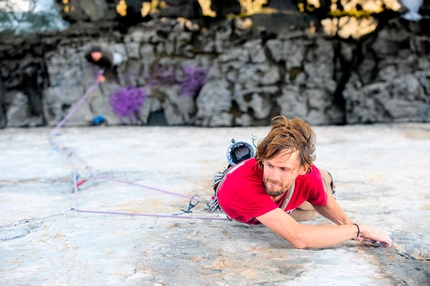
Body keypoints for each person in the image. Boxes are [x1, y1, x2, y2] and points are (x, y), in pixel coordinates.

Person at [214, 115, 392, 249]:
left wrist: (347, 226)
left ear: (304, 168)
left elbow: (322, 200)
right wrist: (359, 229)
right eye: (269, 165)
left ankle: (326, 181)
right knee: (307, 214)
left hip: (296, 188)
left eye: (284, 169)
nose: (274, 176)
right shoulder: (241, 187)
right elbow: (299, 238)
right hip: (252, 202)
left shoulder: (309, 173)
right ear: (260, 158)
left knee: (320, 184)